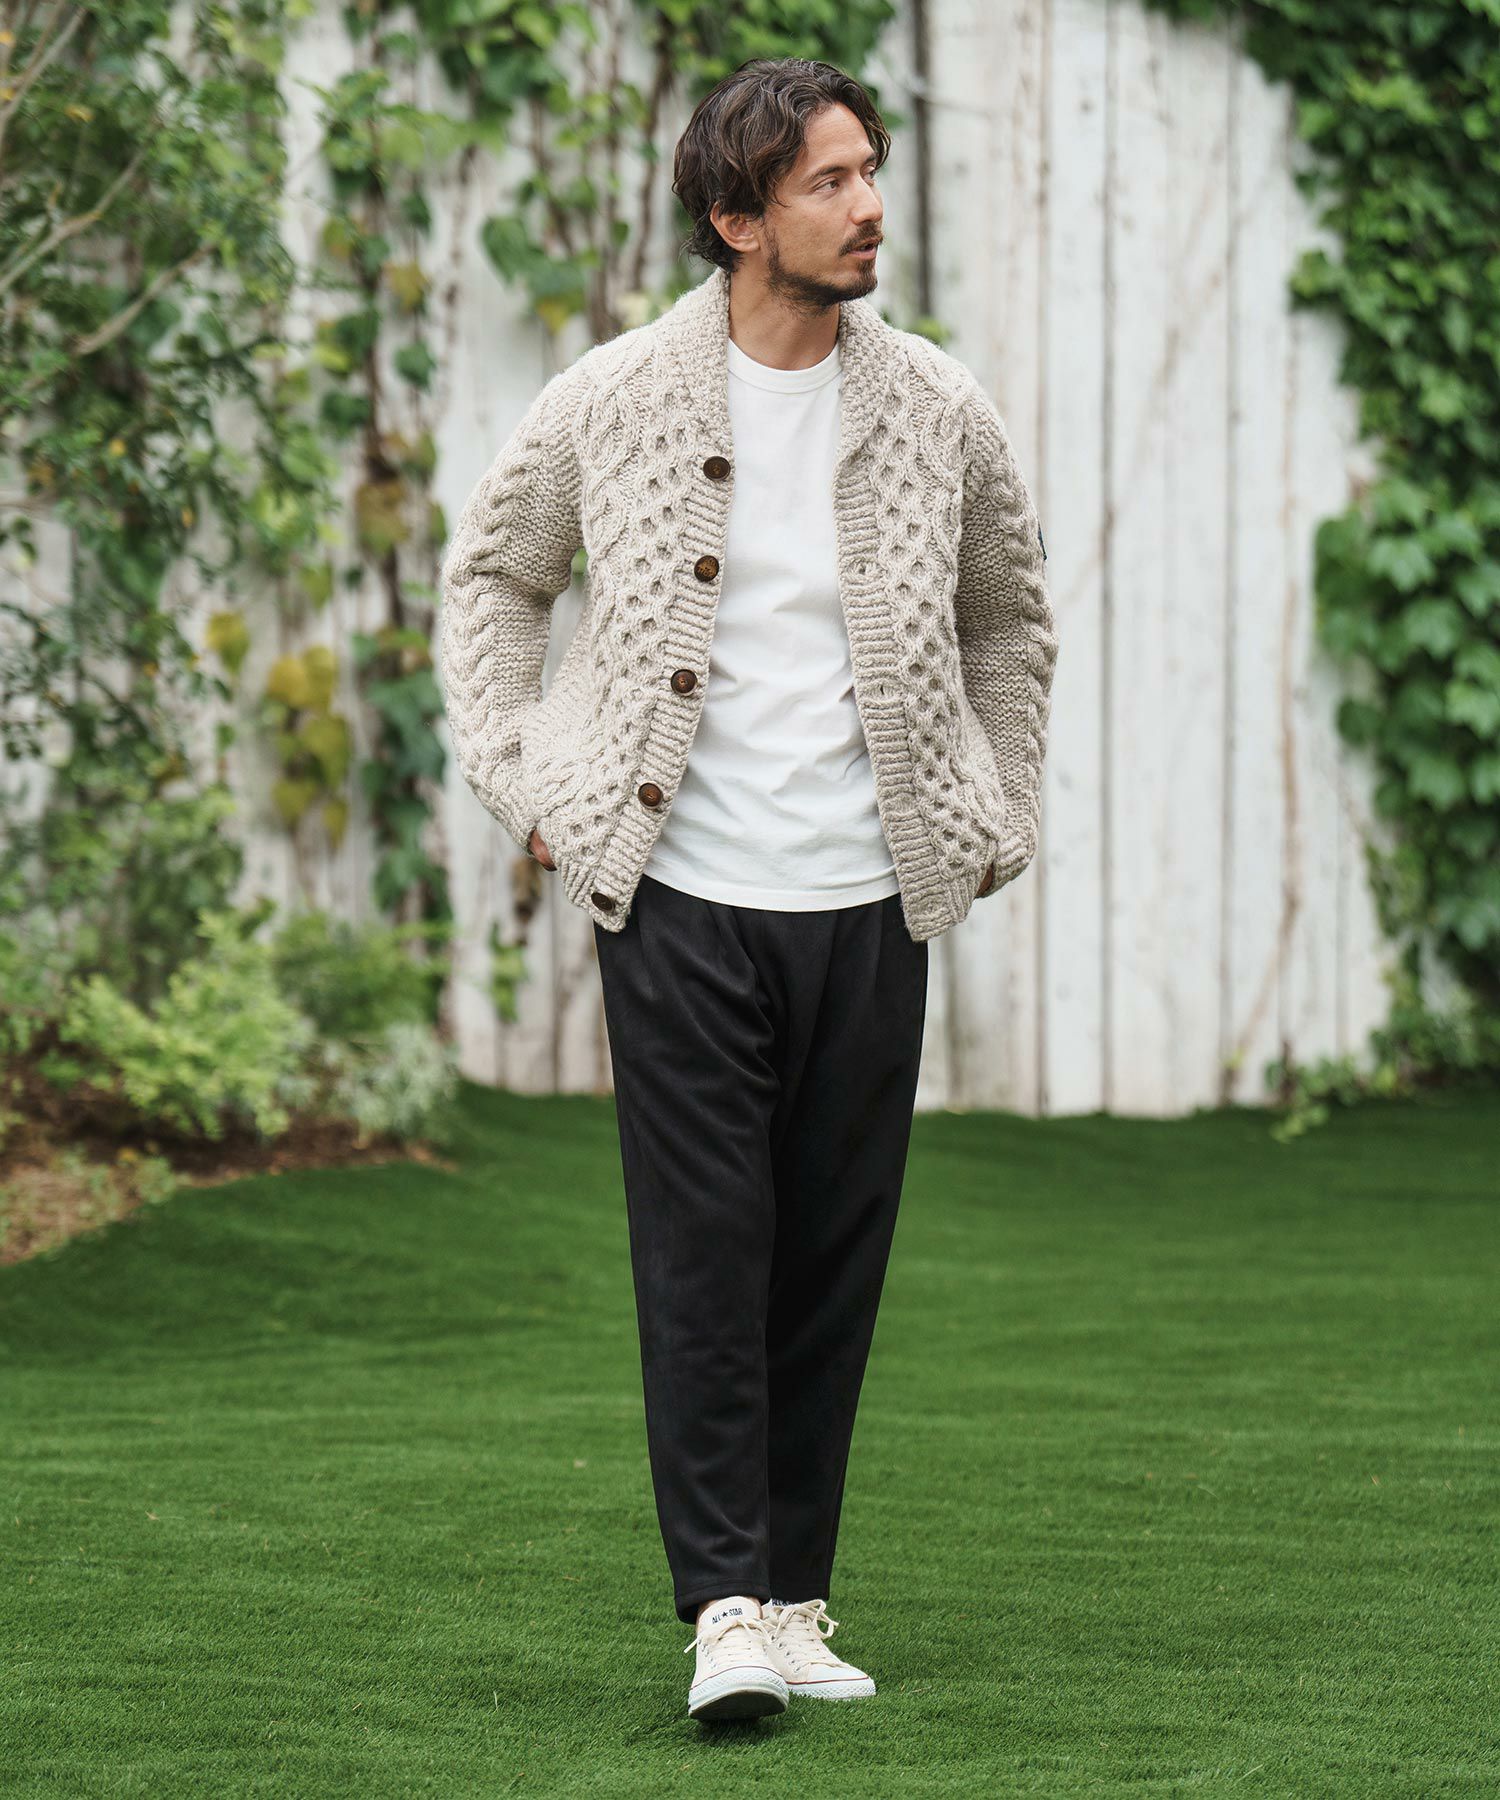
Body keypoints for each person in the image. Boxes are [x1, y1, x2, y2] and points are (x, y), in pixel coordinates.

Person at [441, 56, 1058, 1723]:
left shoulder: (937, 405)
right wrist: (532, 775)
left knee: (830, 1262)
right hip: (686, 896)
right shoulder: (614, 397)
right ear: (736, 217)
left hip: (869, 897)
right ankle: (720, 1606)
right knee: (706, 1256)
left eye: (870, 172)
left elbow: (1008, 615)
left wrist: (994, 801)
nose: (869, 209)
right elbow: (496, 579)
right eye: (827, 183)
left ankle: (794, 1598)